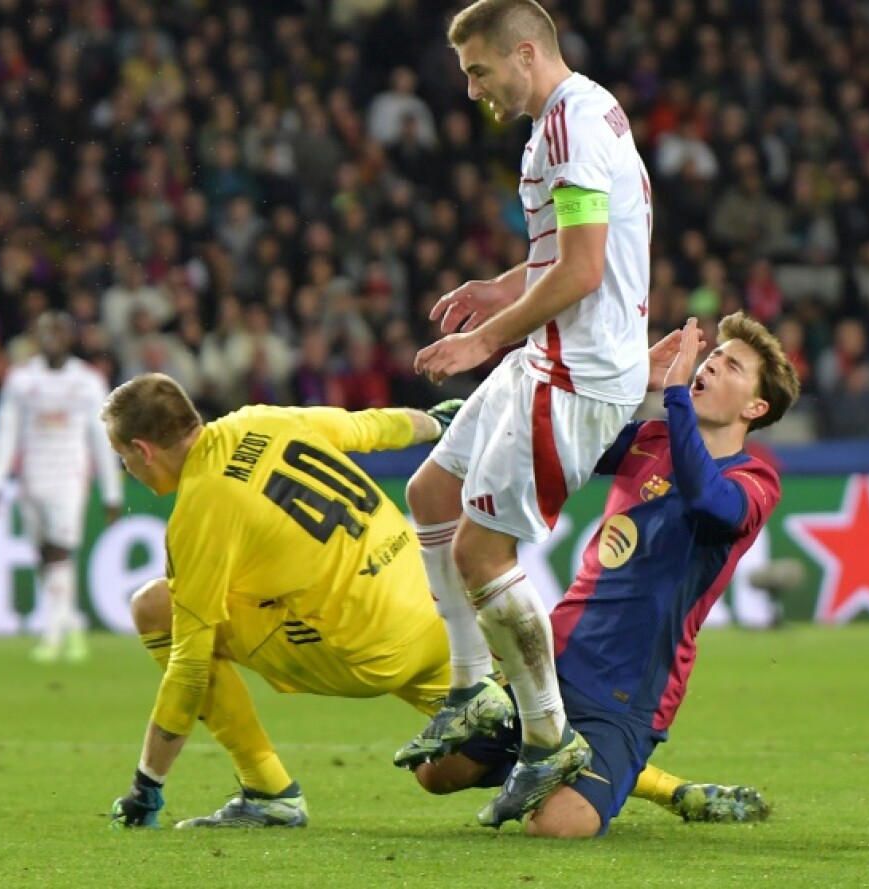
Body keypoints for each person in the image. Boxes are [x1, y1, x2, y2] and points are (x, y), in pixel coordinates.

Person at [104, 374, 761, 829]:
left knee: (159, 610)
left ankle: (267, 787)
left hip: (361, 643)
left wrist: (148, 781)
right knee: (517, 731)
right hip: (433, 606)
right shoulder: (260, 420)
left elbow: (189, 668)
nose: (131, 474)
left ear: (142, 448)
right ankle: (675, 788)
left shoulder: (198, 510)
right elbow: (371, 427)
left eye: (126, 461)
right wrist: (442, 422)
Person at [402, 0, 654, 826]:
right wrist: (499, 290)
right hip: (547, 353)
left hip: (578, 372)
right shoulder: (570, 117)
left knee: (482, 550)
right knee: (432, 495)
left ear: (523, 51)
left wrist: (486, 341)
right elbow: (563, 257)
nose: (473, 90)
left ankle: (549, 738)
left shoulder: (571, 127)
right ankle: (474, 687)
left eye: (479, 71)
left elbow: (582, 273)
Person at [410, 314, 800, 836]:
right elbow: (569, 435)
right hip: (555, 658)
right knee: (435, 775)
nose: (711, 364)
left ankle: (581, 772)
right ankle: (543, 759)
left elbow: (709, 501)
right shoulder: (653, 438)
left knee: (554, 830)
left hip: (627, 693)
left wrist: (678, 396)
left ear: (755, 408)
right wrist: (637, 376)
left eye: (732, 365)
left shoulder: (753, 480)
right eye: (713, 355)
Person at [0, 311, 123, 663]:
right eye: (46, 333)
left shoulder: (88, 382)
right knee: (45, 555)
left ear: (70, 338)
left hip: (69, 477)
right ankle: (73, 626)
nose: (51, 340)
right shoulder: (20, 379)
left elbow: (101, 436)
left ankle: (51, 637)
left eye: (58, 333)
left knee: (60, 551)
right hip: (31, 477)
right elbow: (6, 429)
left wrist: (111, 490)